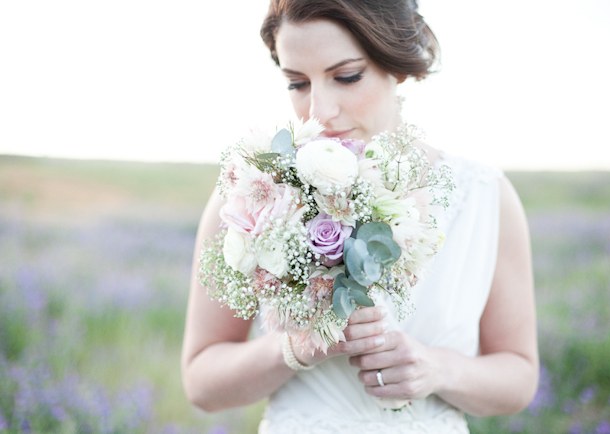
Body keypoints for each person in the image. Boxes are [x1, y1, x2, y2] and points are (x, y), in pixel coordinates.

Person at [181, 1, 539, 432]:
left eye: (346, 76)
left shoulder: (483, 197)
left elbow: (519, 377)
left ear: (398, 63)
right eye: (297, 83)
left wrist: (436, 369)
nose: (318, 111)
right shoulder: (249, 198)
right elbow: (201, 381)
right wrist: (296, 348)